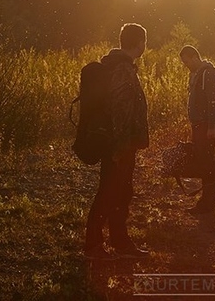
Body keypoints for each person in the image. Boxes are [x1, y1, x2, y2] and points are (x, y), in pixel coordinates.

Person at [84, 23, 150, 260]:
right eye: (144, 41)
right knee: (110, 192)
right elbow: (121, 109)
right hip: (119, 144)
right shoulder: (122, 69)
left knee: (121, 192)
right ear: (139, 43)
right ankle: (94, 245)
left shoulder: (120, 66)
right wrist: (121, 146)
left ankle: (120, 242)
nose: (145, 45)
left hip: (120, 143)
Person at [179, 45, 215, 215]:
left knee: (207, 165)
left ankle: (208, 204)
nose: (185, 65)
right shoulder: (196, 74)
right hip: (199, 126)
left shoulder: (208, 73)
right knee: (205, 163)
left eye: (187, 61)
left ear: (194, 57)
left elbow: (213, 102)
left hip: (206, 126)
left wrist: (211, 127)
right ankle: (206, 202)